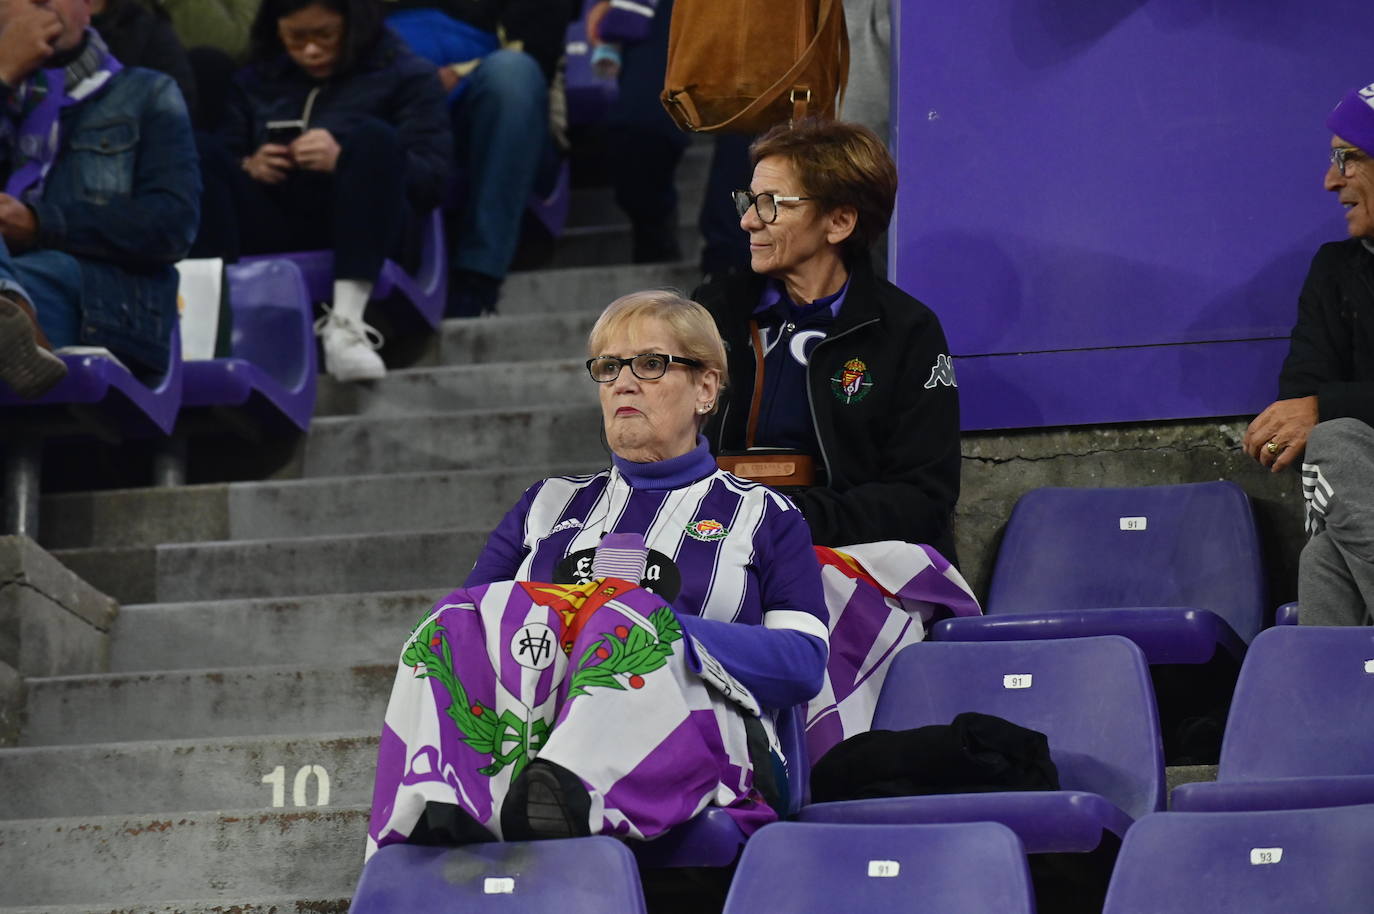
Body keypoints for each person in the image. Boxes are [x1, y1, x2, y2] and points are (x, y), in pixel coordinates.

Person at [367, 290, 829, 850]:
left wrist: (659, 633)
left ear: (706, 387)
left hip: (704, 737)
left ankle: (565, 795)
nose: (623, 383)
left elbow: (804, 662)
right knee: (446, 623)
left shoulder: (765, 514)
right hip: (532, 725)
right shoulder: (547, 504)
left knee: (623, 617)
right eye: (609, 367)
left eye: (651, 364)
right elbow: (470, 626)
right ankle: (438, 802)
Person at [693, 119, 962, 558]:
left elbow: (922, 500)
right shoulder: (714, 311)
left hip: (854, 562)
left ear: (838, 222)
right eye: (748, 200)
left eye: (770, 204)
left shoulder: (905, 330)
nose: (746, 221)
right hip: (722, 551)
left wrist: (782, 520)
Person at [215, 0, 451, 382]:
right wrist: (249, 164)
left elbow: (431, 179)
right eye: (295, 37)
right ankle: (208, 322)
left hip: (368, 223)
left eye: (325, 35)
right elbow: (224, 156)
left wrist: (342, 160)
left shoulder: (407, 75)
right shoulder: (255, 81)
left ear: (352, 26)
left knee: (374, 139)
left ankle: (346, 324)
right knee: (202, 154)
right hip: (275, 215)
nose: (310, 49)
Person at [0, 0, 199, 400]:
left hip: (100, 301)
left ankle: (11, 308)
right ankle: (11, 307)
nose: (44, 11)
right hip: (24, 285)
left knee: (45, 273)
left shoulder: (149, 92)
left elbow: (172, 226)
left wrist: (40, 224)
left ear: (90, 6)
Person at [1244, 83, 1374, 626]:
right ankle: (1336, 706)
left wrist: (1331, 405)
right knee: (1324, 558)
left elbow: (1316, 405)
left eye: (1350, 157)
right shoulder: (1336, 271)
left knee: (1337, 434)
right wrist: (1324, 409)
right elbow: (1298, 404)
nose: (1330, 180)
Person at [381, 0, 574, 317]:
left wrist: (453, 74)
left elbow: (535, 50)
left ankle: (479, 275)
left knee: (513, 74)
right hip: (393, 99)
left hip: (494, 113)